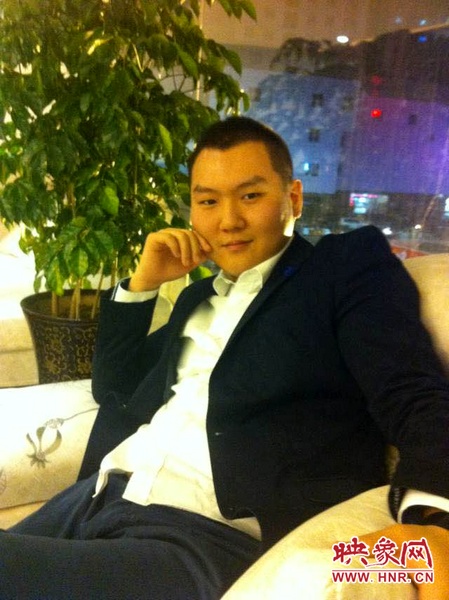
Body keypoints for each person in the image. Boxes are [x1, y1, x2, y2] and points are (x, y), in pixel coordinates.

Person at [2, 116, 449, 599]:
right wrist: (143, 284)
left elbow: (412, 393)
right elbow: (113, 388)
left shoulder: (340, 269)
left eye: (250, 196)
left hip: (202, 538)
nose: (228, 220)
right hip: (96, 495)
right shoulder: (196, 298)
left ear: (294, 198)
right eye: (208, 201)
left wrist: (432, 522)